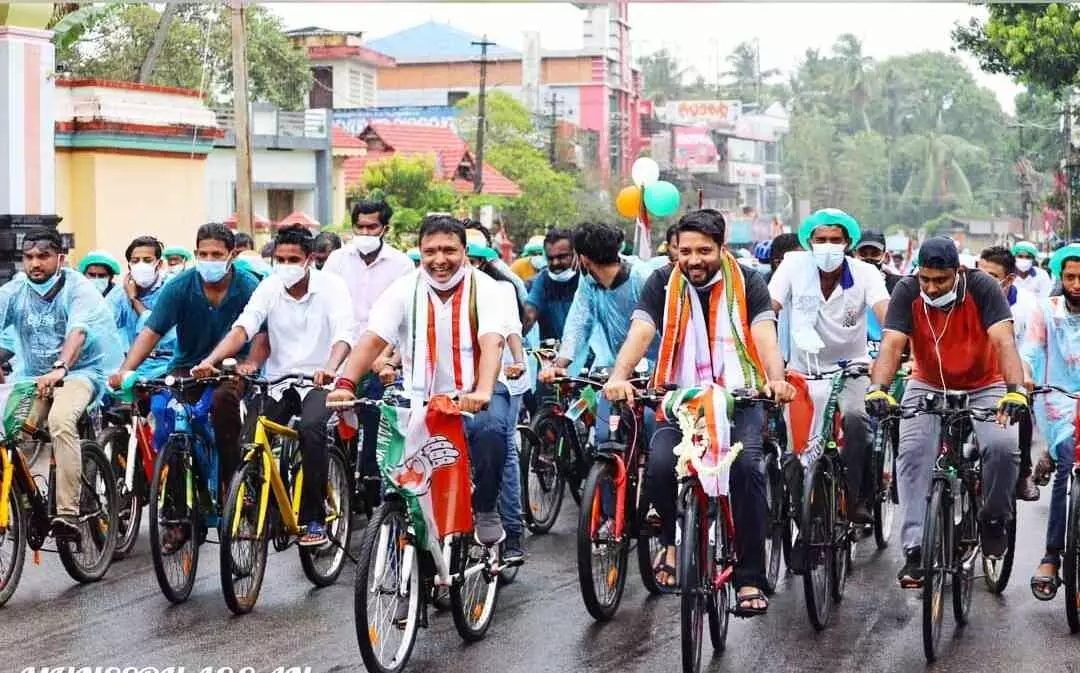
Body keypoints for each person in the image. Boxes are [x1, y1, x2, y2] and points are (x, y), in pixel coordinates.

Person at [603, 209, 794, 615]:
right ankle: (674, 542)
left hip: (739, 396)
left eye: (704, 250)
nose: (694, 260)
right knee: (657, 465)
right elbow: (641, 330)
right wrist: (620, 376)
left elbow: (764, 335)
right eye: (685, 251)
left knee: (745, 471)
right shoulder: (662, 282)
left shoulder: (750, 281)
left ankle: (749, 577)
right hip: (680, 396)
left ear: (721, 249)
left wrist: (775, 379)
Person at [326, 215, 510, 545]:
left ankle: (485, 508)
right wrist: (345, 383)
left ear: (465, 252)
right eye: (431, 251)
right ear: (420, 253)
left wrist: (482, 390)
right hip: (417, 396)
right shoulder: (404, 289)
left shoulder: (486, 289)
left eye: (449, 250)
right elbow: (372, 339)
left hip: (473, 392)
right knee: (395, 481)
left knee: (491, 431)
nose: (440, 260)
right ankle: (396, 542)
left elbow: (492, 340)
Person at [866, 236, 1028, 588]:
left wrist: (1015, 392)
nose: (931, 287)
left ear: (958, 272)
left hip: (986, 384)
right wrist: (878, 388)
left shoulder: (983, 287)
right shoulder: (907, 291)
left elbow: (1004, 341)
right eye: (925, 279)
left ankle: (995, 520)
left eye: (940, 280)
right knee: (911, 454)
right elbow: (892, 345)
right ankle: (915, 550)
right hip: (927, 383)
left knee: (1001, 448)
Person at [192, 226, 356, 547]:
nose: (285, 265)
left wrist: (330, 368)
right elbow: (245, 326)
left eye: (293, 259)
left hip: (321, 381)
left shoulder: (332, 288)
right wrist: (210, 360)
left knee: (311, 429)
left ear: (309, 259)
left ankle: (314, 517)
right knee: (250, 437)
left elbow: (344, 335)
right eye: (280, 259)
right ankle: (256, 501)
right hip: (280, 382)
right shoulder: (270, 286)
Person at [109, 223, 265, 512]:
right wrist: (125, 370)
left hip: (231, 368)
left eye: (216, 254)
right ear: (195, 254)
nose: (209, 260)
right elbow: (151, 332)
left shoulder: (247, 286)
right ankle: (175, 508)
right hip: (186, 367)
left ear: (231, 254)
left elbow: (263, 334)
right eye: (203, 254)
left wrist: (250, 363)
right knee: (167, 411)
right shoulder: (180, 286)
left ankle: (233, 483)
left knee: (223, 403)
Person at [0, 229, 123, 538]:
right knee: (11, 429)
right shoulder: (15, 291)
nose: (34, 264)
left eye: (43, 256)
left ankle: (67, 514)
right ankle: (24, 502)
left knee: (59, 421)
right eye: (28, 257)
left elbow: (78, 333)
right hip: (33, 377)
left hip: (81, 372)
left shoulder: (78, 289)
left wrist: (60, 367)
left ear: (60, 258)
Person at [770, 209, 889, 524]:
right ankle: (804, 521)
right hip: (802, 374)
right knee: (794, 454)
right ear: (809, 242)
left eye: (835, 240)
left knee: (856, 419)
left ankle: (856, 495)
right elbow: (768, 310)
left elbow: (887, 316)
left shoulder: (866, 273)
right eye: (820, 240)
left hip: (852, 370)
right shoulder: (793, 266)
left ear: (848, 242)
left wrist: (893, 353)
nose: (827, 246)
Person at [538, 222, 658, 443]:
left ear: (583, 259)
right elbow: (578, 321)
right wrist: (560, 365)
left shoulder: (643, 278)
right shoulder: (588, 281)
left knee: (652, 430)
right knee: (603, 436)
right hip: (615, 370)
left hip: (656, 372)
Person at [323, 198, 414, 486]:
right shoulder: (337, 260)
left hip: (381, 356)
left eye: (371, 227)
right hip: (342, 352)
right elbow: (326, 306)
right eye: (359, 227)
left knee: (375, 413)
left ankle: (372, 479)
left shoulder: (401, 265)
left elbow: (404, 319)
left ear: (384, 228)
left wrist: (387, 358)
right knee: (335, 420)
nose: (364, 233)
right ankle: (340, 481)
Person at [467, 230, 528, 562]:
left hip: (500, 382)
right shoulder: (422, 288)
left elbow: (510, 331)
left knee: (499, 447)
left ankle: (511, 531)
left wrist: (518, 362)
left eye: (472, 259)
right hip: (450, 389)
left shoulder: (499, 288)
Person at [1023, 244, 1080, 600]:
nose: (1077, 284)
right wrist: (1025, 374)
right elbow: (1030, 350)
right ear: (1061, 277)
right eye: (1070, 277)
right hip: (1058, 398)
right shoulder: (1046, 311)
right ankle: (1051, 555)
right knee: (1067, 459)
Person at [978, 245, 1040, 501]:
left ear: (1009, 279)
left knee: (1021, 403)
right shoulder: (966, 297)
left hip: (1012, 373)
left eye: (990, 277)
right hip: (974, 375)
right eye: (978, 274)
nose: (981, 282)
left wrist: (1022, 374)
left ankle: (1024, 472)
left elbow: (1029, 346)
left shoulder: (1028, 305)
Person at [108, 235, 178, 380]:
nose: (141, 265)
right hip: (128, 367)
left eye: (147, 260)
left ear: (159, 264)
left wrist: (134, 299)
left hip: (166, 366)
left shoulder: (172, 289)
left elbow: (158, 329)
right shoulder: (119, 294)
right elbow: (104, 325)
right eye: (135, 261)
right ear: (129, 266)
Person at [523, 227, 579, 340]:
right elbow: (529, 315)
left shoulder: (588, 280)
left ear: (576, 254)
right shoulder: (541, 281)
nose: (555, 262)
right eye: (550, 258)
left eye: (562, 257)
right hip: (552, 353)